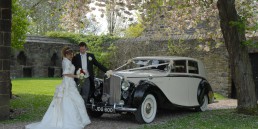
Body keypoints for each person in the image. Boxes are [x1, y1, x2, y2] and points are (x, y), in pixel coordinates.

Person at [25, 46, 91, 129]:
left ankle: (82, 119)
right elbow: (65, 73)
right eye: (71, 55)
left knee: (78, 100)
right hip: (68, 83)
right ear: (67, 54)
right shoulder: (66, 62)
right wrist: (77, 76)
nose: (72, 56)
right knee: (70, 100)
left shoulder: (68, 61)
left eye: (72, 54)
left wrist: (79, 73)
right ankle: (71, 120)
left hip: (70, 82)